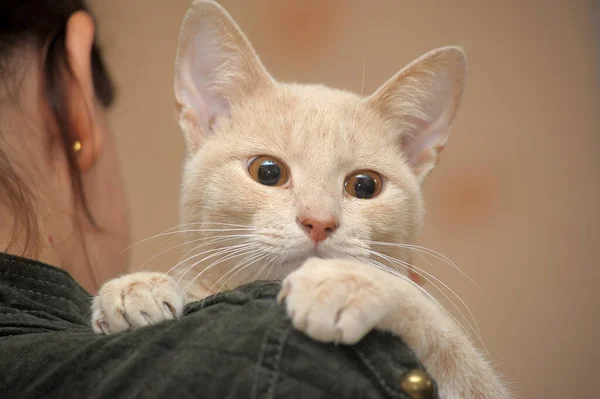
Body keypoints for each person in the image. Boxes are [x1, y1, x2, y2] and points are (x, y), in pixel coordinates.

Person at [0, 2, 437, 398]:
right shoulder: (279, 356)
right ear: (209, 116)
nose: (319, 218)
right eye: (270, 172)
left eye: (363, 186)